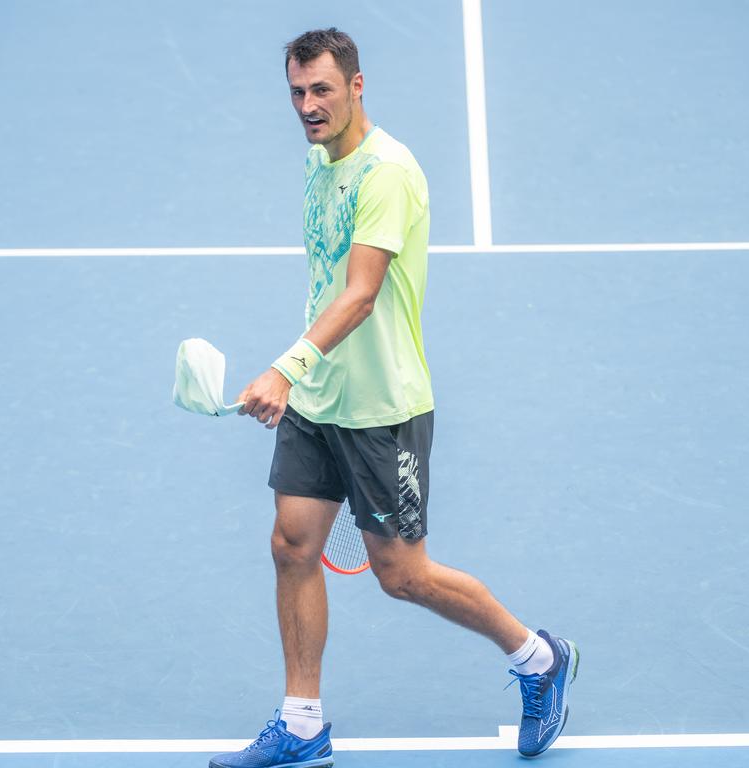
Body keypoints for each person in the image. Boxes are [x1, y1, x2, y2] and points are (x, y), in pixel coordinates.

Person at [208, 28, 579, 768]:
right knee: (291, 545)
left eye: (321, 90)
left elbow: (363, 293)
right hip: (320, 398)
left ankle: (539, 657)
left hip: (383, 411)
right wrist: (302, 376)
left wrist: (285, 366)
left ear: (356, 85)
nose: (308, 106)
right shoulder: (321, 166)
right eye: (297, 93)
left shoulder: (388, 173)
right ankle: (303, 721)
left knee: (402, 575)